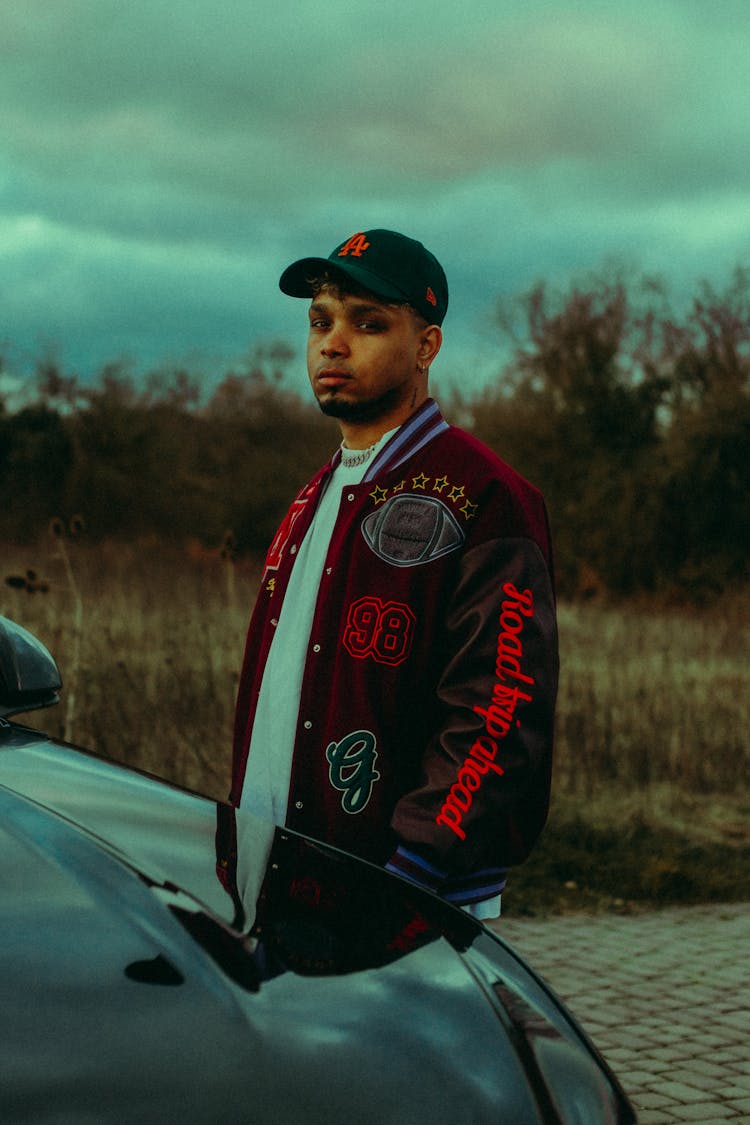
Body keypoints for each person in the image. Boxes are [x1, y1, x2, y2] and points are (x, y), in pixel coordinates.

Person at [229, 228, 558, 918]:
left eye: (368, 323)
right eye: (320, 320)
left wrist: (417, 862)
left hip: (403, 897)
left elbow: (498, 705)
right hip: (281, 877)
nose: (332, 342)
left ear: (427, 346)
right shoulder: (312, 497)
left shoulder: (485, 494)